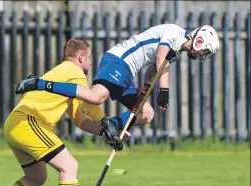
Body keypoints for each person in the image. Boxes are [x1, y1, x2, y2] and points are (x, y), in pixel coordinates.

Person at [0, 39, 122, 186]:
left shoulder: (61, 73)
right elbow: (90, 103)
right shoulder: (74, 72)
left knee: (36, 177)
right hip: (29, 123)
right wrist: (107, 121)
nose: (90, 62)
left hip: (15, 125)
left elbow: (79, 118)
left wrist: (103, 132)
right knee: (70, 166)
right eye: (89, 58)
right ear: (81, 57)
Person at [16, 24, 220, 137]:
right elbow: (159, 59)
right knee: (96, 98)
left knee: (146, 114)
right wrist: (164, 91)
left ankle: (109, 126)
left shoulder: (175, 52)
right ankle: (38, 83)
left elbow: (152, 71)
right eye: (205, 51)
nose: (202, 55)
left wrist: (147, 87)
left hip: (128, 72)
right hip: (118, 61)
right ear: (200, 39)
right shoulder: (175, 33)